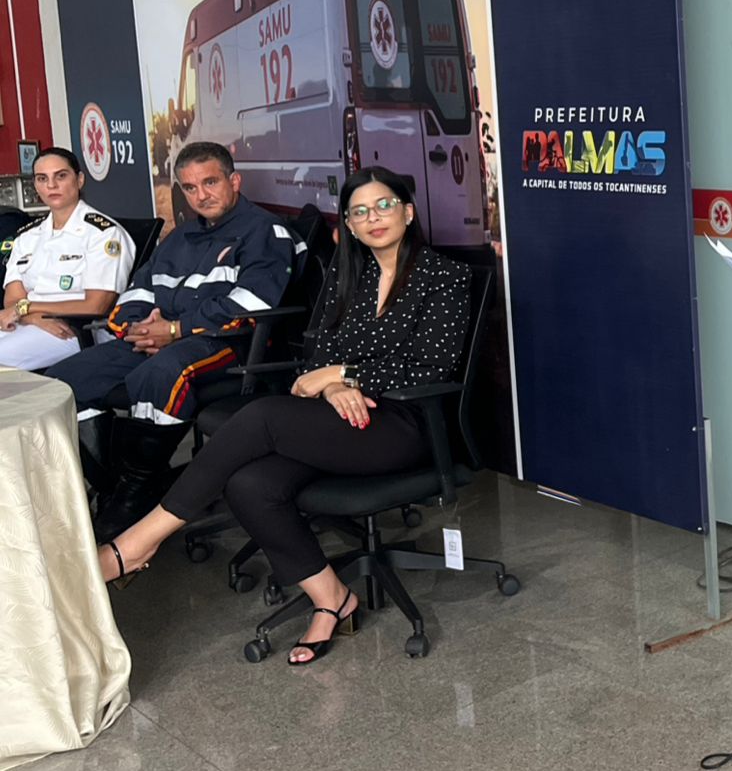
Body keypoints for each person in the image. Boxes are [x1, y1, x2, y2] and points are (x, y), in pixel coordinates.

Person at [98, 166, 471, 667]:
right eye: (360, 211)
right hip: (339, 417)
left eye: (384, 205)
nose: (373, 217)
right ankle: (332, 599)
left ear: (408, 212)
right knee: (250, 484)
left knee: (264, 417)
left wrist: (342, 374)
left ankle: (137, 543)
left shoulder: (444, 275)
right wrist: (332, 383)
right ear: (349, 226)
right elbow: (317, 352)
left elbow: (431, 365)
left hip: (406, 422)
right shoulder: (348, 274)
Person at [53, 140, 300, 534]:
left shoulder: (265, 231)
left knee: (162, 373)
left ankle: (134, 498)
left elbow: (252, 304)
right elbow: (137, 291)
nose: (201, 195)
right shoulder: (179, 237)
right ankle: (114, 484)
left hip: (232, 344)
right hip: (160, 337)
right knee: (62, 382)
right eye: (190, 187)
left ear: (234, 181)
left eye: (210, 182)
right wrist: (137, 328)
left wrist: (175, 330)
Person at [0, 148, 135, 370]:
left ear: (79, 180)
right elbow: (13, 299)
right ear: (36, 186)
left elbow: (96, 305)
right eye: (42, 179)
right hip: (28, 323)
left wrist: (26, 308)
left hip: (74, 330)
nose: (51, 185)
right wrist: (30, 316)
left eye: (61, 176)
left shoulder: (104, 233)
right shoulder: (27, 237)